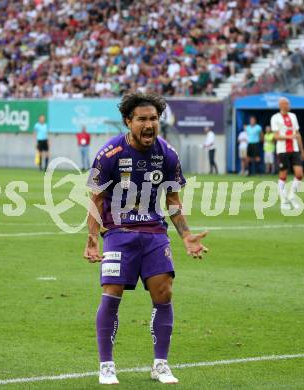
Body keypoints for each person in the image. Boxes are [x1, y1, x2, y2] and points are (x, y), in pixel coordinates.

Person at [84, 92, 208, 385]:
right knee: (111, 295)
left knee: (163, 294)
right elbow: (96, 199)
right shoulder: (109, 154)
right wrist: (92, 238)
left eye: (153, 118)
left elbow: (174, 200)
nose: (149, 124)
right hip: (118, 233)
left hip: (154, 233)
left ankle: (161, 364)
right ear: (129, 121)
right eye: (142, 119)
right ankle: (106, 365)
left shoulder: (167, 153)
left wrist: (187, 235)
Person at [271, 97, 304, 209]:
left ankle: (291, 196)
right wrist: (289, 136)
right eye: (287, 103)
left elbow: (297, 134)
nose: (289, 105)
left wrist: (302, 150)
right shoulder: (275, 118)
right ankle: (283, 201)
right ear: (281, 105)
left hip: (294, 149)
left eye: (289, 103)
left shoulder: (293, 116)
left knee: (299, 174)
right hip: (282, 150)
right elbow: (276, 136)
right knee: (283, 175)